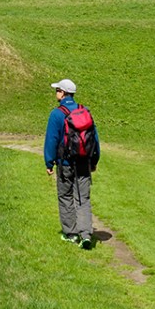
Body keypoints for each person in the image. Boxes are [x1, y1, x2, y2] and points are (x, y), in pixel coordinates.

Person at [44, 77, 100, 249]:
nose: (56, 93)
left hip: (65, 163)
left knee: (65, 196)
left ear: (63, 93)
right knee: (83, 198)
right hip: (83, 162)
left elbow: (51, 140)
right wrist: (94, 160)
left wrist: (49, 162)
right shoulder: (84, 111)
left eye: (57, 90)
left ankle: (72, 234)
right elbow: (95, 139)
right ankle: (86, 234)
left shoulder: (57, 114)